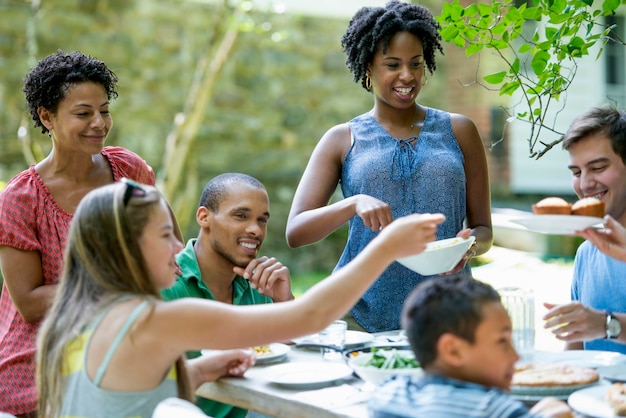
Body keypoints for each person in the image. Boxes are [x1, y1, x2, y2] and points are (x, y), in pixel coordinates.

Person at [36, 180, 445, 418]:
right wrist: (386, 246)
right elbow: (312, 315)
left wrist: (197, 372)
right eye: (164, 235)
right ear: (124, 246)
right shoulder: (153, 319)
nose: (178, 245)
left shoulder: (76, 321)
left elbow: (126, 398)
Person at [285, 0, 492, 333]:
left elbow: (484, 230)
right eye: (392, 64)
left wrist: (468, 247)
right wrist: (353, 203)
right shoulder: (341, 139)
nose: (407, 76)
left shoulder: (460, 131)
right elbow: (296, 231)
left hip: (449, 313)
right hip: (359, 314)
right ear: (368, 67)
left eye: (416, 63)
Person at [0, 50, 156, 417]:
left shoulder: (128, 171)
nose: (99, 123)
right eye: (83, 113)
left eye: (104, 110)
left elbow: (171, 249)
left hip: (120, 338)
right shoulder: (21, 200)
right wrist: (116, 284)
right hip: (41, 359)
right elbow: (30, 302)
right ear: (46, 116)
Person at [161, 173, 293, 418]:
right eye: (240, 216)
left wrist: (283, 302)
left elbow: (291, 365)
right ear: (204, 217)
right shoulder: (165, 284)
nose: (255, 230)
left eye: (262, 220)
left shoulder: (260, 285)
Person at [369, 274, 573, 418]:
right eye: (502, 342)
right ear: (453, 351)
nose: (516, 357)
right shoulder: (492, 408)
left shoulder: (388, 394)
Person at [544, 106, 626, 353]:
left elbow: (596, 326)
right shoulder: (587, 252)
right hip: (596, 392)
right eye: (577, 172)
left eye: (598, 168)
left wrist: (607, 325)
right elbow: (576, 349)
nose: (585, 184)